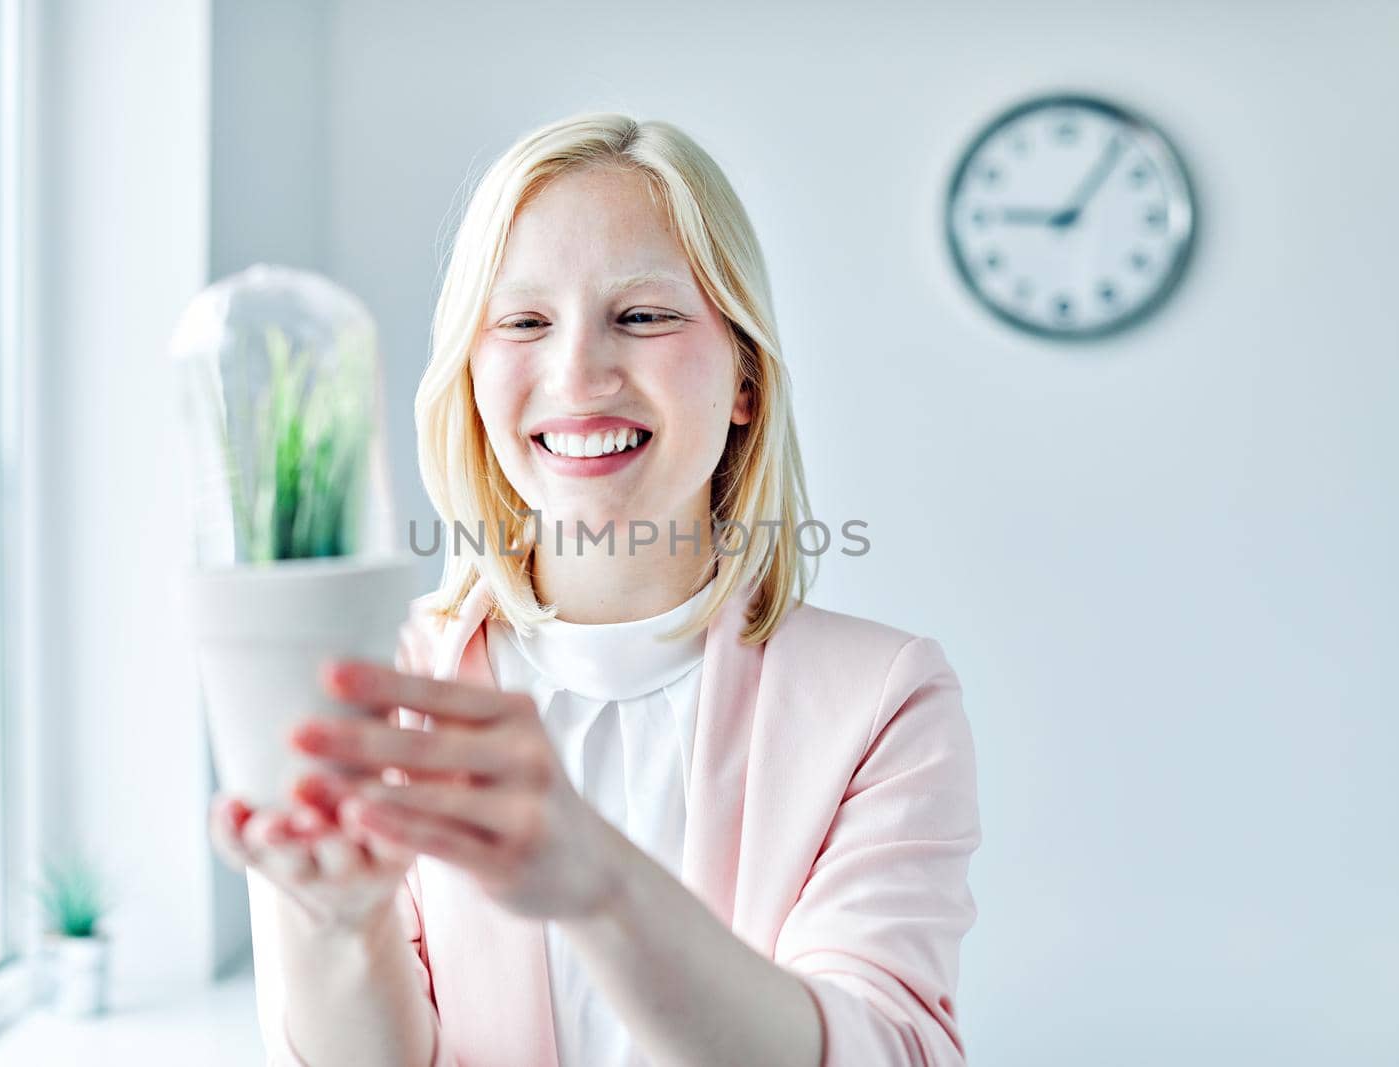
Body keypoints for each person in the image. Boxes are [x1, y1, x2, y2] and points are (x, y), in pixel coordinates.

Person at [209, 112, 981, 1067]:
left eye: (644, 316)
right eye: (524, 321)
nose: (577, 373)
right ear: (472, 374)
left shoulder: (882, 700)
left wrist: (602, 884)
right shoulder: (372, 691)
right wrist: (336, 924)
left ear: (744, 377)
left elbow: (884, 1050)